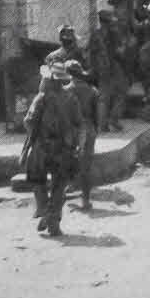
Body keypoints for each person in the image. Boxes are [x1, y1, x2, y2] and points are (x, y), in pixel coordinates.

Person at [22, 63, 86, 236]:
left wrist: (35, 135)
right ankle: (53, 220)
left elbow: (28, 121)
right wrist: (78, 145)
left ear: (49, 79)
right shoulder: (71, 99)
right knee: (60, 184)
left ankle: (44, 209)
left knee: (37, 180)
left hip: (42, 148)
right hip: (64, 150)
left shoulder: (40, 98)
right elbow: (80, 125)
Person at [64, 60, 100, 211]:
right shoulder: (92, 90)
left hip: (71, 130)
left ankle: (68, 187)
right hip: (89, 128)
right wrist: (95, 130)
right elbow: (96, 114)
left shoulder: (65, 90)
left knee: (68, 159)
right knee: (86, 165)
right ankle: (85, 200)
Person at [88, 10, 128, 132]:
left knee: (103, 97)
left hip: (101, 69)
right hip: (113, 67)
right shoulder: (114, 34)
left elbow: (90, 53)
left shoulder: (95, 34)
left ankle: (102, 125)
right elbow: (120, 52)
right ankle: (114, 119)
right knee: (121, 91)